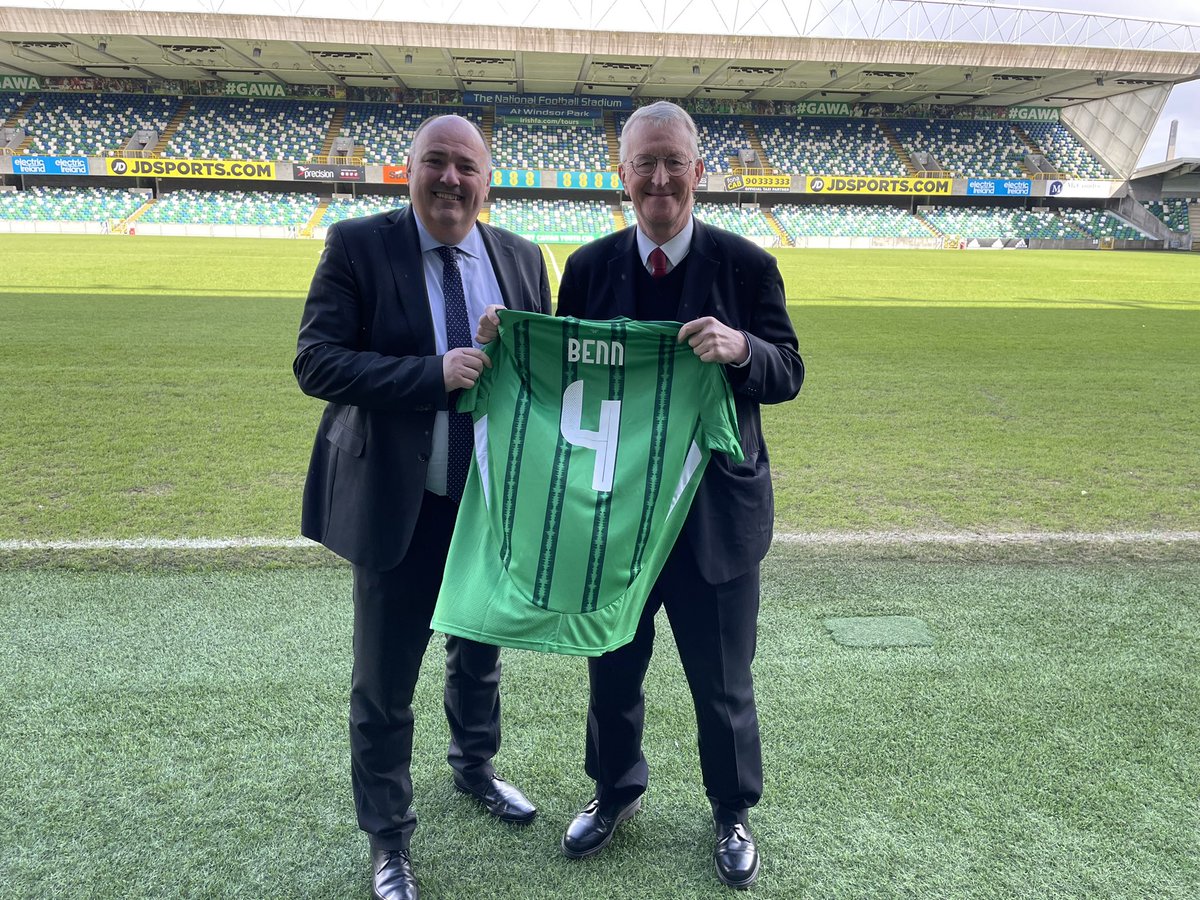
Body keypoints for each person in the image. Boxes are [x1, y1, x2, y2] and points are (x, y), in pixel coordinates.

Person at [482, 100, 803, 888]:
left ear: (699, 171)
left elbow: (789, 370)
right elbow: (561, 387)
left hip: (715, 520)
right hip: (614, 518)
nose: (659, 178)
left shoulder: (747, 266)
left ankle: (731, 810)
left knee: (722, 679)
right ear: (622, 176)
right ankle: (615, 790)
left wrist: (741, 349)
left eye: (673, 162)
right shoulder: (589, 268)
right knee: (612, 668)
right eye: (643, 164)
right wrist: (506, 346)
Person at [294, 114, 551, 900]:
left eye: (465, 166)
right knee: (384, 680)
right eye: (435, 163)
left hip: (488, 504)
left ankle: (475, 768)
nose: (450, 179)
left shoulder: (521, 257)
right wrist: (430, 374)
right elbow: (317, 361)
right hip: (398, 501)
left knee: (479, 651)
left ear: (487, 180)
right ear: (408, 171)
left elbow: (544, 377)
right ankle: (389, 840)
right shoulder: (358, 244)